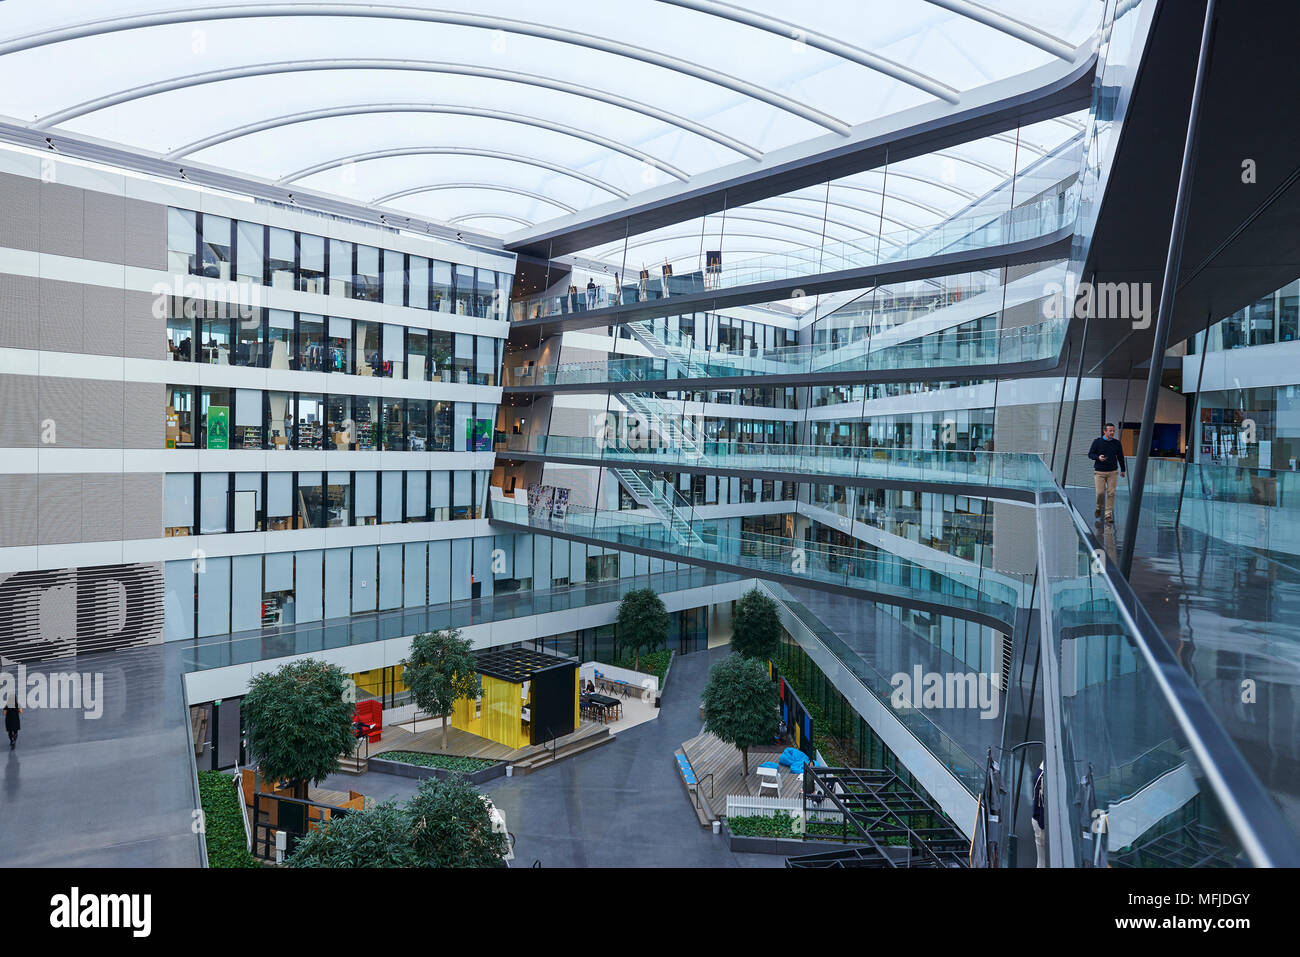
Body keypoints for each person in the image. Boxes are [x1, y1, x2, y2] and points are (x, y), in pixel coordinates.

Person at [1088, 422, 1127, 523]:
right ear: (1104, 431)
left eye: (1113, 431)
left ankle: (1108, 515)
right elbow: (1090, 454)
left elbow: (1121, 457)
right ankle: (1098, 508)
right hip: (1099, 472)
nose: (1112, 432)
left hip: (1112, 472)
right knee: (1100, 493)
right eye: (1110, 431)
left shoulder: (1117, 443)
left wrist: (1123, 470)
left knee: (1111, 493)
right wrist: (1098, 457)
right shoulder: (1097, 442)